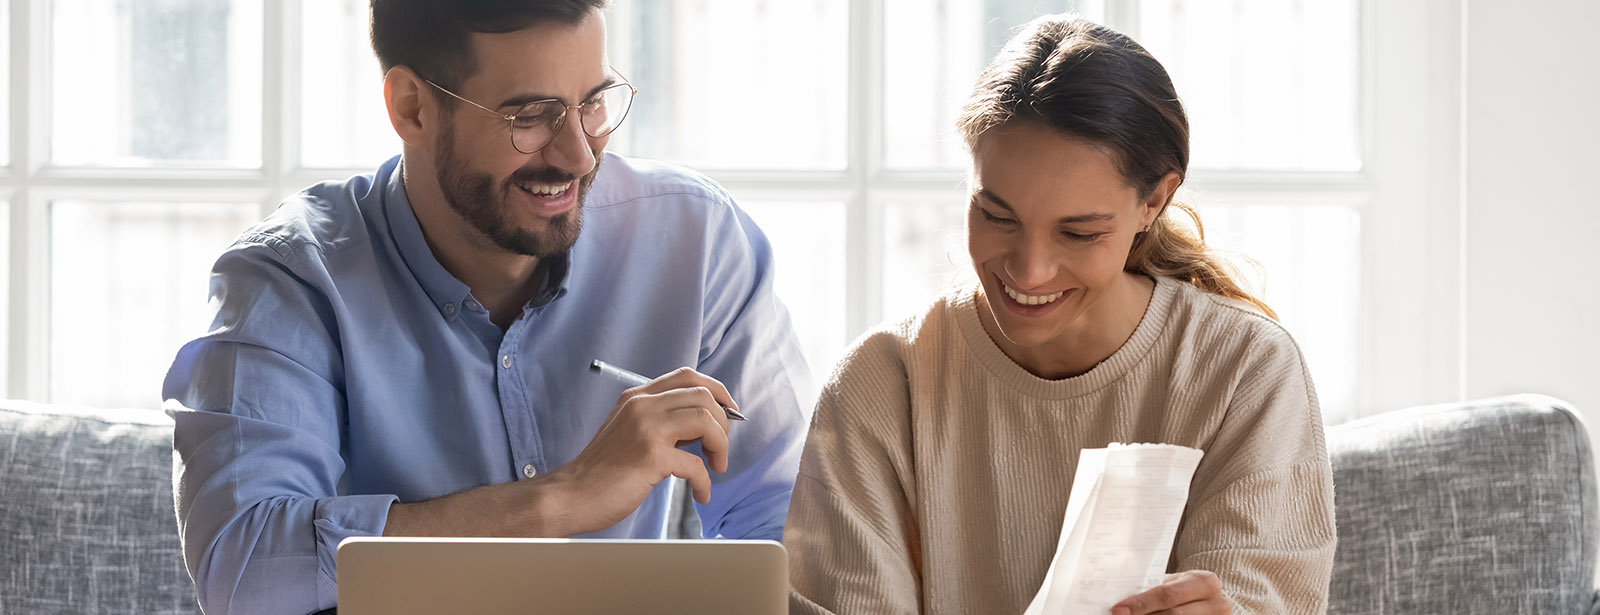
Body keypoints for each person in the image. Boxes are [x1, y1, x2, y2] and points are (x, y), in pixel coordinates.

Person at [161, 1, 813, 613]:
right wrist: (560, 500)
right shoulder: (290, 279)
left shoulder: (696, 241)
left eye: (592, 103)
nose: (579, 155)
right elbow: (241, 566)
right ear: (412, 107)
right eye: (530, 116)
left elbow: (788, 524)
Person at [784, 14, 1336, 615]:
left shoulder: (1243, 371)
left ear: (1155, 200)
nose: (1029, 271)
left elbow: (1262, 599)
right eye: (996, 216)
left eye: (1078, 233)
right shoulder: (883, 385)